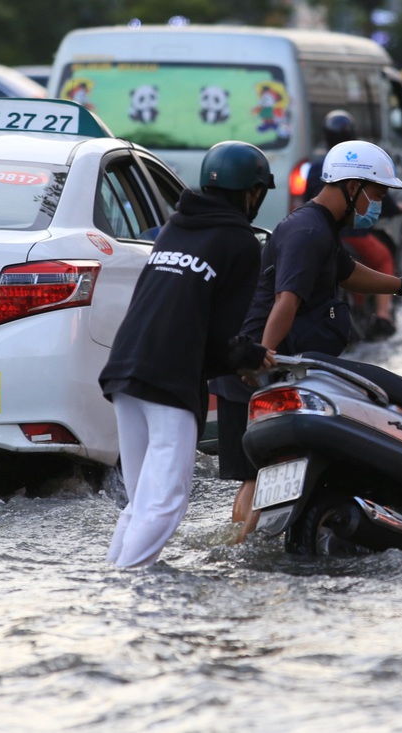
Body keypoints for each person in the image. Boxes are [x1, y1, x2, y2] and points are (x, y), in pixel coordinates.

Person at [218, 140, 402, 542]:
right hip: (258, 369)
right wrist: (263, 357)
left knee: (258, 475)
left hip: (267, 363)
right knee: (256, 478)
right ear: (352, 188)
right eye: (377, 193)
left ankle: (242, 548)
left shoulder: (319, 228)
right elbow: (287, 300)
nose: (379, 204)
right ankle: (241, 553)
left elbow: (347, 272)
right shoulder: (308, 232)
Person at [98, 141, 276, 568]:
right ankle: (132, 583)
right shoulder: (241, 243)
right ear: (252, 193)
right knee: (167, 501)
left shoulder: (177, 225)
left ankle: (112, 582)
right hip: (170, 376)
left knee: (141, 498)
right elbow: (223, 337)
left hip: (125, 367)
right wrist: (251, 357)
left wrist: (238, 356)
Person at [305, 110, 398, 340]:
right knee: (384, 257)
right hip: (356, 236)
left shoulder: (317, 166)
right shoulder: (362, 164)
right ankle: (383, 314)